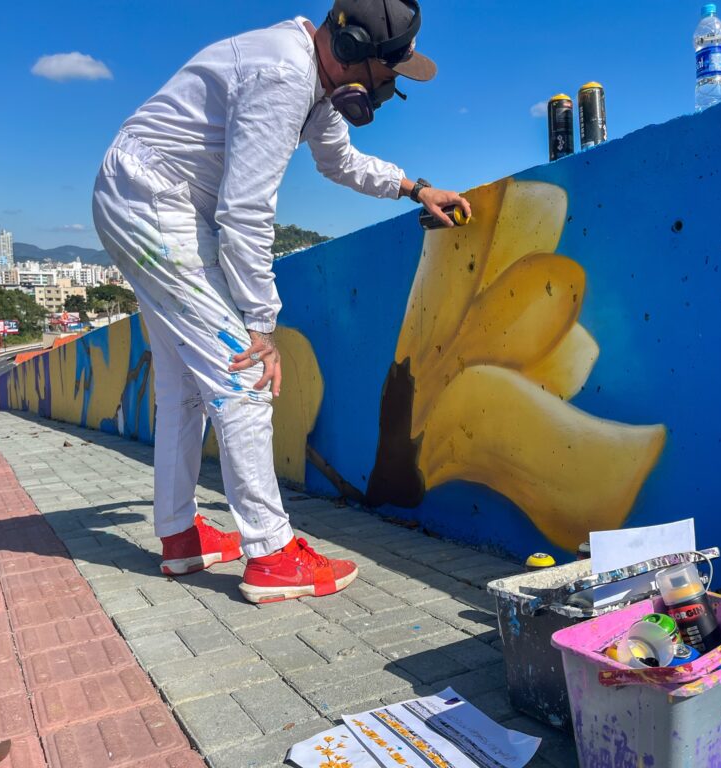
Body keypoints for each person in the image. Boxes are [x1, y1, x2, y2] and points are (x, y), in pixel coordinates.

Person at [92, 0, 469, 603]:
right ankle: (270, 554)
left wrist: (416, 188)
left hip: (148, 199)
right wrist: (260, 326)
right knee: (243, 375)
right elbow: (244, 212)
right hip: (153, 202)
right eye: (390, 69)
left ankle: (179, 536)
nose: (393, 86)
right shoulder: (284, 76)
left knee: (184, 385)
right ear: (350, 52)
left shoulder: (315, 81)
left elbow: (339, 161)